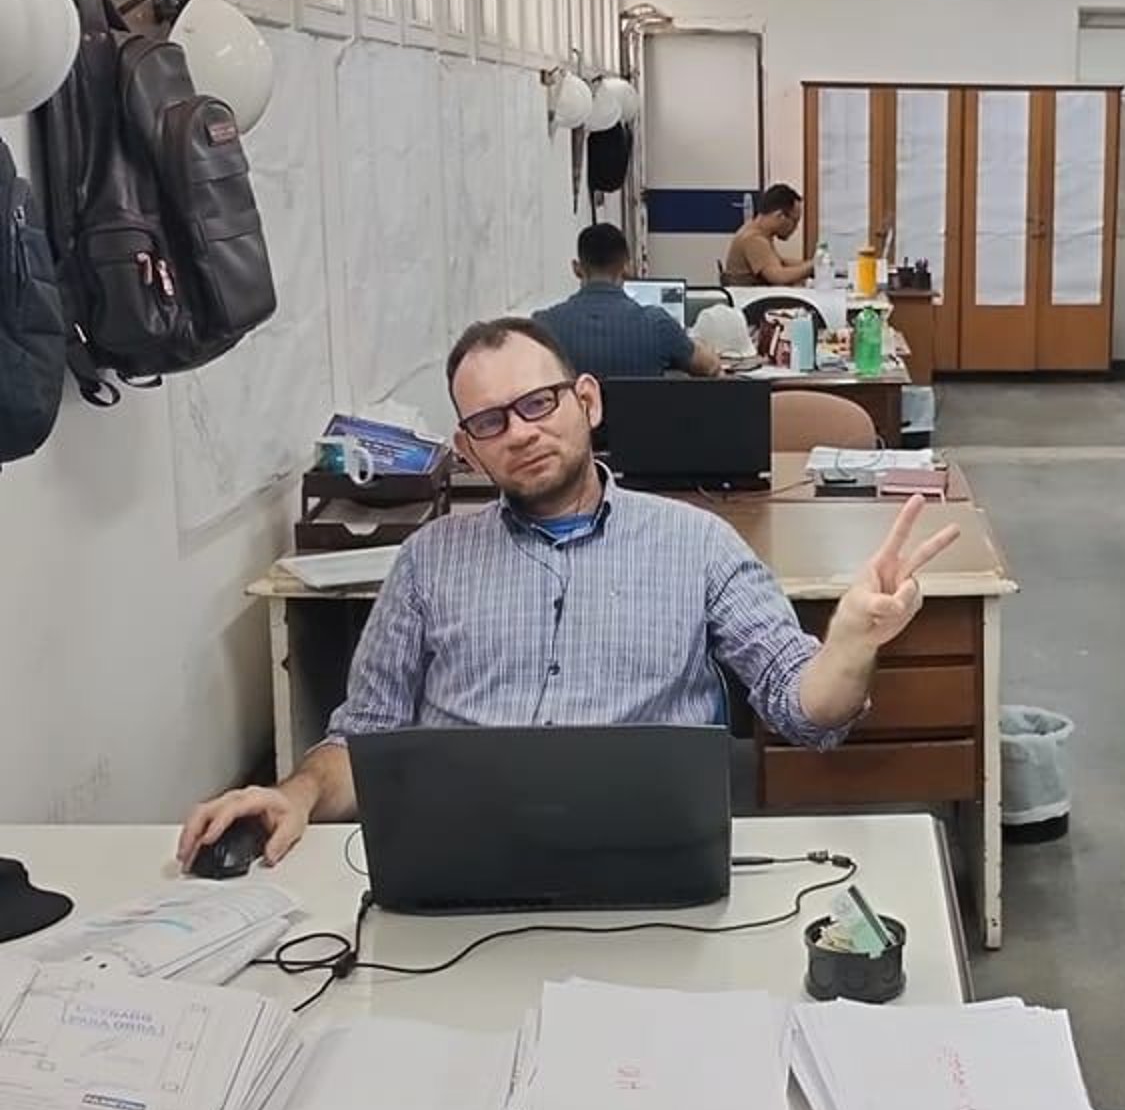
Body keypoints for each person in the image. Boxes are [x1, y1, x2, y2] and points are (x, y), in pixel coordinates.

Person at [177, 316, 959, 867]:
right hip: (462, 863)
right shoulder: (426, 563)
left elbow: (801, 708)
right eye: (490, 422)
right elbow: (363, 743)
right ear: (466, 449)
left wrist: (852, 642)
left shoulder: (695, 544)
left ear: (587, 401)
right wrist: (296, 796)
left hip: (650, 866)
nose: (519, 432)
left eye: (537, 403)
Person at [535, 222, 720, 380]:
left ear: (577, 268)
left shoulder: (543, 327)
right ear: (626, 267)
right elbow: (710, 367)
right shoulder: (658, 325)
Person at [724, 184, 813, 286]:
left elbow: (779, 262)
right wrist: (811, 267)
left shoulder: (757, 230)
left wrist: (813, 265)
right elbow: (778, 276)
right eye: (795, 221)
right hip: (752, 300)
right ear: (780, 216)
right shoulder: (754, 239)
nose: (795, 228)